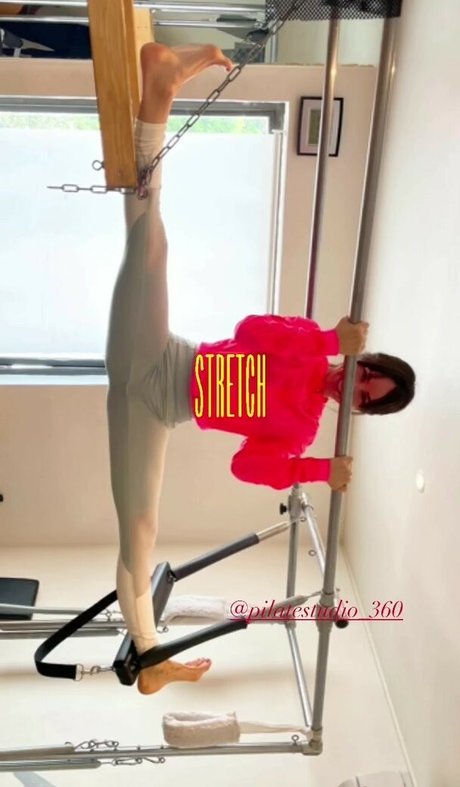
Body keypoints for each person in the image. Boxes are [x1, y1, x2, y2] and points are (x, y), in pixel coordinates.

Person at [105, 42, 415, 696]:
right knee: (151, 241)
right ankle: (159, 90)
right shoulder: (311, 346)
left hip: (157, 411)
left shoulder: (302, 430)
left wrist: (317, 470)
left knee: (139, 530)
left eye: (365, 397)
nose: (355, 387)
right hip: (160, 353)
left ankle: (149, 657)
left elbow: (246, 466)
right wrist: (327, 337)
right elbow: (250, 330)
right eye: (366, 374)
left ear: (361, 410)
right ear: (362, 360)